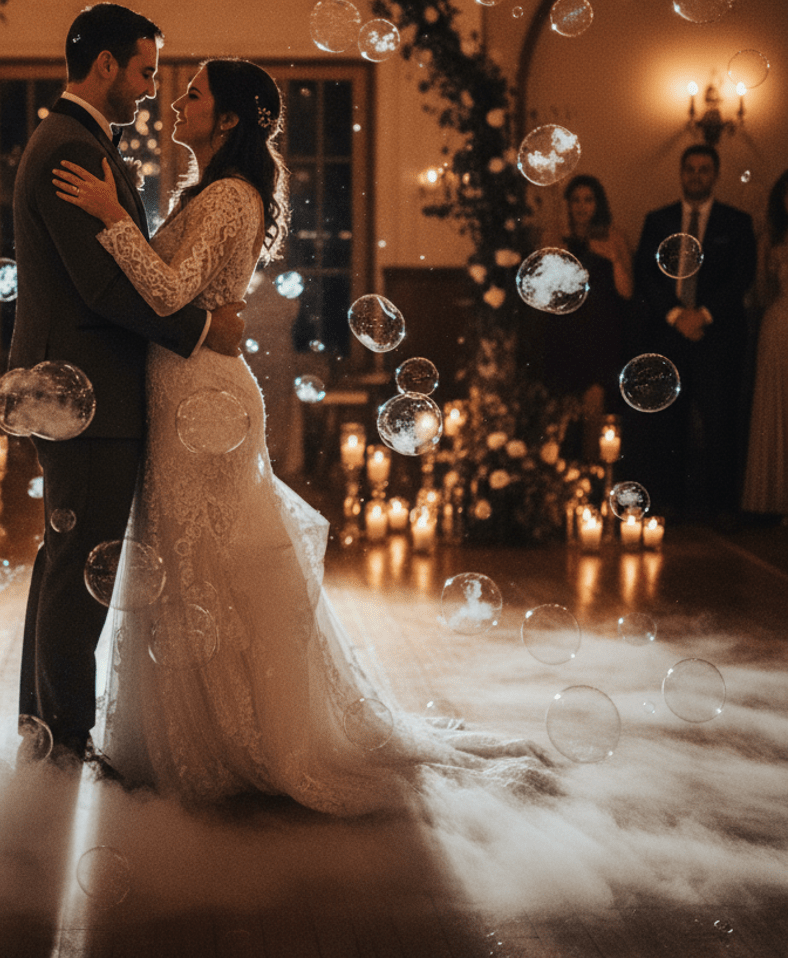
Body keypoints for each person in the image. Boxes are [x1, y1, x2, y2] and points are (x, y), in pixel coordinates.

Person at [55, 58, 552, 813]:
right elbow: (172, 286)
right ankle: (193, 738)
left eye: (192, 93)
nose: (176, 101)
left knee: (207, 569)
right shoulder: (214, 192)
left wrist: (112, 218)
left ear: (227, 120)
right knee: (191, 566)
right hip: (187, 391)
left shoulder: (227, 196)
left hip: (204, 407)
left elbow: (163, 290)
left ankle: (235, 742)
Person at [9, 3, 245, 764]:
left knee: (66, 560)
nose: (151, 90)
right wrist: (203, 333)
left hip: (84, 389)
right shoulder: (69, 149)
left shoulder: (75, 140)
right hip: (86, 396)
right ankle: (67, 741)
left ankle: (44, 728)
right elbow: (103, 289)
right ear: (105, 65)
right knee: (83, 572)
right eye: (145, 71)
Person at [633, 144, 757, 521]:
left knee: (720, 421)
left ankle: (721, 508)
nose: (697, 175)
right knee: (668, 421)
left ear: (715, 175)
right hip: (668, 335)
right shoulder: (658, 221)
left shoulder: (737, 222)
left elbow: (742, 277)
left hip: (716, 337)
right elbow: (646, 275)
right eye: (690, 169)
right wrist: (676, 315)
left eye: (704, 169)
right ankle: (669, 504)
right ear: (681, 174)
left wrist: (701, 315)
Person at [541, 174, 633, 460]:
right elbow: (543, 291)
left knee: (596, 400)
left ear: (598, 203)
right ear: (568, 204)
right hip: (564, 328)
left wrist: (612, 257)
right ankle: (562, 474)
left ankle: (593, 474)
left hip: (600, 329)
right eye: (576, 200)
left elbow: (627, 291)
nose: (582, 206)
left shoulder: (614, 235)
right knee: (562, 404)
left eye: (588, 199)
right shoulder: (554, 236)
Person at [742, 169, 788, 518]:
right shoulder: (771, 240)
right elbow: (760, 292)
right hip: (780, 323)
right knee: (777, 407)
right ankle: (774, 498)